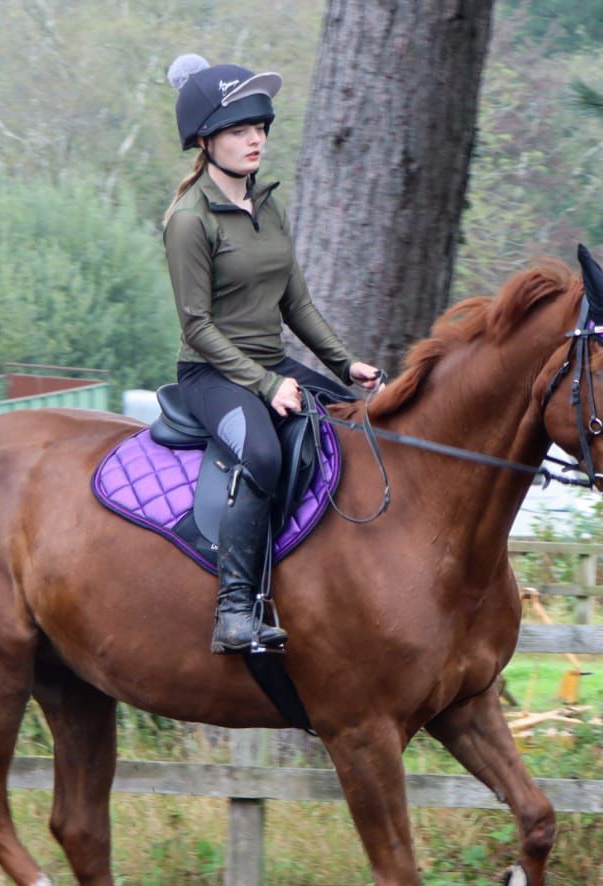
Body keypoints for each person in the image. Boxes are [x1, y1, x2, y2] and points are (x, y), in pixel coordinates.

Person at [162, 54, 382, 655]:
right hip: (213, 371)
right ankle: (235, 609)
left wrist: (345, 366)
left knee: (354, 422)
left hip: (269, 362)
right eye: (239, 130)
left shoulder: (271, 206)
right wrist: (265, 387)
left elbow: (298, 305)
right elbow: (197, 326)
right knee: (259, 451)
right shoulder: (188, 221)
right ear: (206, 142)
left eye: (260, 127)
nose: (255, 139)